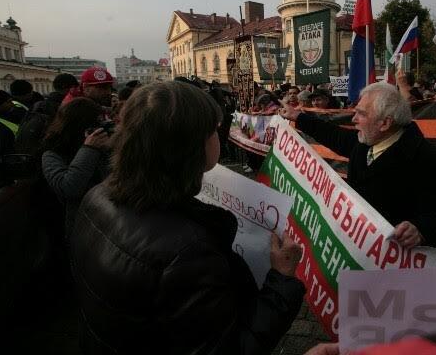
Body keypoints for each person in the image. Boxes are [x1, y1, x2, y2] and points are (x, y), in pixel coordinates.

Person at [70, 81, 305, 354]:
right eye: (214, 131)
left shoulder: (96, 196)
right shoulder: (189, 252)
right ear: (192, 145)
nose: (219, 136)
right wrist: (283, 278)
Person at [280, 82, 436, 248]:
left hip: (390, 265)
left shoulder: (429, 161)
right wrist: (297, 117)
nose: (354, 119)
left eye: (361, 114)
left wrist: (420, 230)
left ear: (385, 123)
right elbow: (334, 135)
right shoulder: (365, 142)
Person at [42, 97, 111, 240]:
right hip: (83, 225)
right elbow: (69, 188)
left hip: (112, 218)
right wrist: (89, 149)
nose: (99, 128)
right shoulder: (52, 153)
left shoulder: (104, 145)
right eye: (94, 124)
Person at [15, 73, 80, 156]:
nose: (77, 91)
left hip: (31, 155)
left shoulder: (38, 105)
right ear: (69, 88)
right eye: (75, 88)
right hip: (50, 156)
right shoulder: (63, 107)